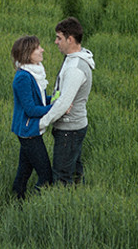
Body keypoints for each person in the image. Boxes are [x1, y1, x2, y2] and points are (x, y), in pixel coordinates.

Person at [39, 16, 95, 185]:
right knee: (75, 173)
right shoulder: (73, 60)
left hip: (69, 130)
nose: (56, 42)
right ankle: (79, 202)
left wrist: (42, 123)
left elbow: (64, 103)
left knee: (62, 177)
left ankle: (65, 205)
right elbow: (61, 97)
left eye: (59, 38)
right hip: (72, 127)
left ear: (70, 39)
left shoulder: (75, 68)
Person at [10, 35, 53, 199]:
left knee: (24, 172)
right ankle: (32, 207)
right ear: (28, 53)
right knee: (46, 177)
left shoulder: (35, 73)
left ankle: (16, 203)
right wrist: (56, 107)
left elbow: (40, 101)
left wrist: (54, 99)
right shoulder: (23, 77)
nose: (42, 50)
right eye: (38, 48)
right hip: (28, 132)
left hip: (31, 130)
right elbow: (31, 110)